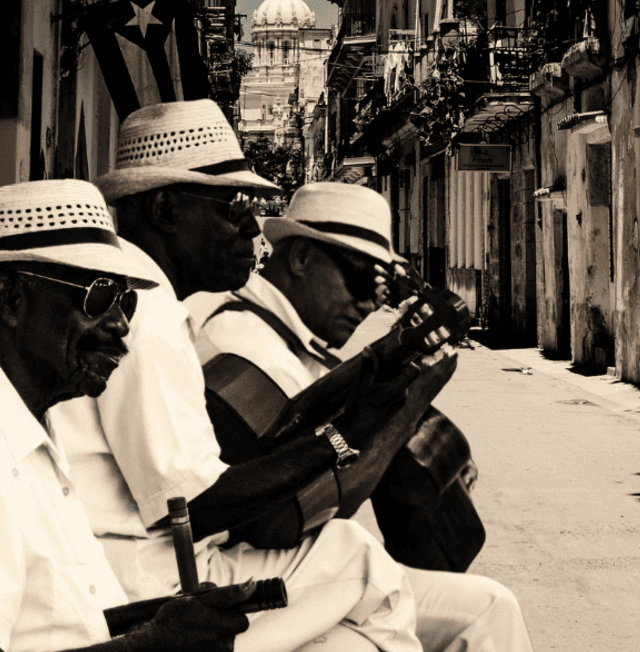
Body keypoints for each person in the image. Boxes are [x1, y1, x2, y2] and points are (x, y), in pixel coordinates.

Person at [47, 100, 431, 652]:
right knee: (362, 561)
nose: (253, 227)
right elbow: (195, 505)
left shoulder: (138, 295)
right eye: (233, 207)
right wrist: (340, 438)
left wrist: (366, 380)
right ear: (165, 209)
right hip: (152, 581)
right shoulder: (143, 313)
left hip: (142, 561)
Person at [0, 180, 255, 652]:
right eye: (98, 296)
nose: (120, 325)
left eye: (126, 301)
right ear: (11, 298)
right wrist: (154, 644)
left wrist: (168, 620)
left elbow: (51, 625)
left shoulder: (17, 421)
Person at [194, 182, 534, 652]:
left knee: (490, 607)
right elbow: (313, 507)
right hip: (230, 571)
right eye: (362, 281)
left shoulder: (275, 335)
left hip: (263, 562)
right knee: (424, 610)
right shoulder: (248, 346)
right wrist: (414, 399)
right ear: (301, 258)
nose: (371, 302)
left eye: (383, 287)